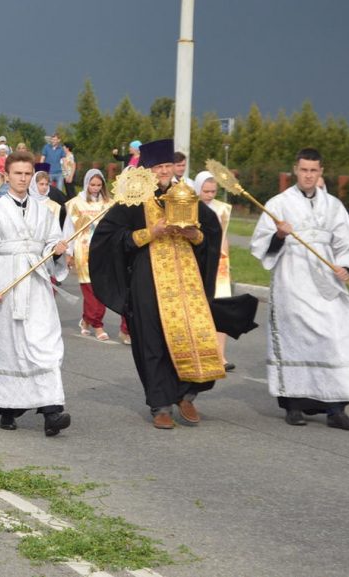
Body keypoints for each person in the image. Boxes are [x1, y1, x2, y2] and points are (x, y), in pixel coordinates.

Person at [89, 139, 224, 429]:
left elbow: (210, 233)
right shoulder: (135, 199)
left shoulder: (186, 195)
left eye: (167, 166)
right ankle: (160, 404)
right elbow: (110, 238)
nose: (163, 171)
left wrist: (194, 236)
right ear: (148, 170)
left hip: (185, 280)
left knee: (192, 332)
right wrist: (151, 232)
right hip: (147, 279)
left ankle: (186, 394)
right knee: (152, 339)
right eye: (158, 167)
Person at [0, 151, 72, 436]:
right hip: (4, 288)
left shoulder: (43, 211)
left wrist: (56, 250)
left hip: (35, 287)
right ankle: (8, 408)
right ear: (6, 176)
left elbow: (49, 244)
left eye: (27, 174)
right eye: (17, 173)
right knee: (8, 349)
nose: (22, 178)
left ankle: (52, 412)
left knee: (44, 346)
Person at [250, 148, 349, 430]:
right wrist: (278, 234)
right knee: (295, 340)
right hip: (293, 283)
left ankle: (336, 409)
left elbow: (347, 242)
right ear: (295, 170)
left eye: (314, 171)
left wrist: (345, 268)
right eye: (304, 170)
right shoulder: (278, 204)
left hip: (327, 284)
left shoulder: (334, 205)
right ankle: (294, 406)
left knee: (337, 339)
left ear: (321, 172)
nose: (308, 176)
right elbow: (260, 245)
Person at [65, 169, 126, 343]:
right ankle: (98, 325)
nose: (96, 188)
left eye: (99, 185)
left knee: (101, 289)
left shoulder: (109, 204)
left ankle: (86, 320)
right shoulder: (76, 203)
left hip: (104, 251)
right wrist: (69, 253)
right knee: (91, 291)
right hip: (83, 250)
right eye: (92, 184)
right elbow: (68, 230)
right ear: (86, 183)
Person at [195, 170, 234, 370]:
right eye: (206, 191)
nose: (210, 195)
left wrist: (227, 260)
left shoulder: (222, 209)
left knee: (221, 308)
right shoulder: (191, 207)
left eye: (213, 191)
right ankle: (201, 352)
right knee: (201, 309)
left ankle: (220, 355)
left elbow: (224, 235)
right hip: (199, 263)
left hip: (220, 265)